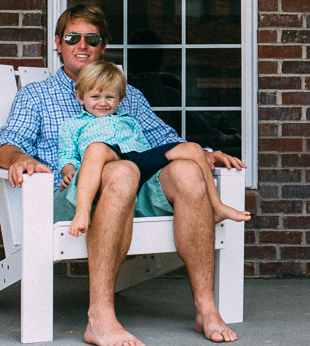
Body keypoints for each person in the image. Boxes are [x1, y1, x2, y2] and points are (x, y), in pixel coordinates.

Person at [0, 3, 247, 346]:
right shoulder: (36, 96)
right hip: (74, 196)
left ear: (102, 46)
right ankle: (99, 317)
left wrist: (204, 154)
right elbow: (6, 146)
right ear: (58, 43)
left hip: (135, 190)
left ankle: (206, 309)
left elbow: (163, 140)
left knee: (187, 169)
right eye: (72, 38)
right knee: (121, 169)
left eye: (91, 39)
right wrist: (19, 159)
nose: (82, 45)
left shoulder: (129, 96)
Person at [58, 60, 250, 238]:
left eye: (110, 97)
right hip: (108, 163)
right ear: (80, 97)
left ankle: (216, 206)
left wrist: (159, 161)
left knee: (192, 148)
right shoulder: (74, 125)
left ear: (121, 98)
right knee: (96, 149)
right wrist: (69, 172)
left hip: (138, 160)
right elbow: (67, 154)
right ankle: (82, 212)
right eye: (95, 97)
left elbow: (144, 145)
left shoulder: (129, 120)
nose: (102, 103)